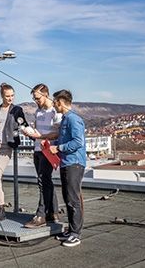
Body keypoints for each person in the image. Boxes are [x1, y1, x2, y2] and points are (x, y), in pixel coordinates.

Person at [49, 89, 86, 248]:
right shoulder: (65, 119)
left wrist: (59, 147)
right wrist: (54, 146)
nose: (54, 104)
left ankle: (76, 234)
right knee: (67, 197)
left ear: (61, 102)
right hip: (66, 162)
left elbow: (78, 142)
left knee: (73, 198)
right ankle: (71, 230)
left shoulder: (73, 119)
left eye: (55, 101)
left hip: (74, 163)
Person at [22, 83, 62, 228]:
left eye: (38, 98)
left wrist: (41, 136)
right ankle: (53, 212)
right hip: (37, 149)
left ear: (46, 95)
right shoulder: (38, 112)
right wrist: (30, 133)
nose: (36, 101)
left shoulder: (55, 111)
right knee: (46, 181)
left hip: (48, 150)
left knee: (43, 181)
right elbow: (38, 134)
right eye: (34, 99)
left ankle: (41, 214)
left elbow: (57, 133)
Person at [0, 83, 26, 221]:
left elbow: (23, 125)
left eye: (12, 95)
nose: (10, 98)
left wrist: (33, 135)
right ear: (2, 96)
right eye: (7, 96)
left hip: (6, 148)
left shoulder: (17, 110)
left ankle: (2, 209)